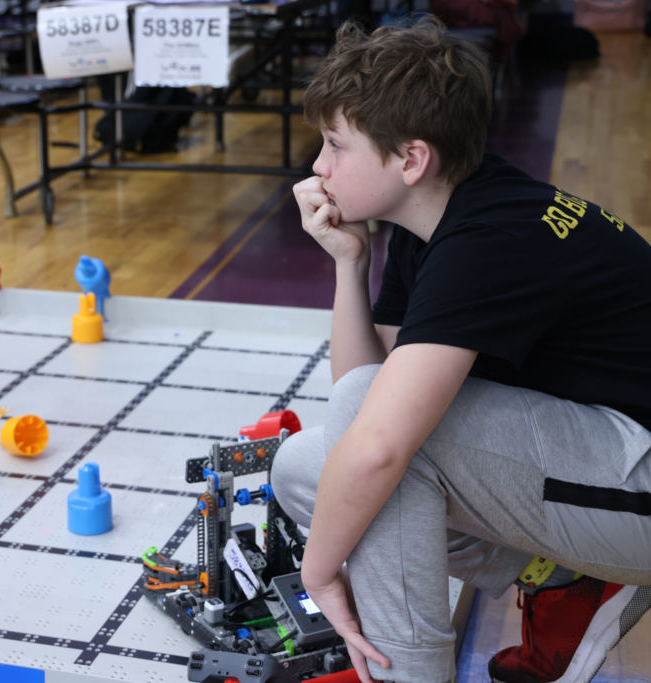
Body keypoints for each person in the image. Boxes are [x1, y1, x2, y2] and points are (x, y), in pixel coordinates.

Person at [271, 17, 651, 683]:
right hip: (608, 467)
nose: (319, 166)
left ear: (410, 158)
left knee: (377, 451)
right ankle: (566, 583)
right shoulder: (435, 211)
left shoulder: (486, 244)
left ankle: (406, 674)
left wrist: (317, 569)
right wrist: (348, 262)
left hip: (639, 481)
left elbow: (379, 438)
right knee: (307, 463)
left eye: (336, 145)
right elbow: (361, 392)